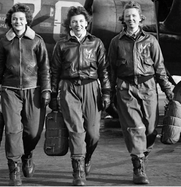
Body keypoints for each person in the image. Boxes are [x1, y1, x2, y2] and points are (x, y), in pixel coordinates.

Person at [107, 1, 174, 184]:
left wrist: (168, 90)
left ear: (140, 18)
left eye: (134, 16)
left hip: (148, 88)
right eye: (127, 16)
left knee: (150, 131)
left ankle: (142, 154)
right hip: (126, 89)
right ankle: (138, 168)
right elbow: (111, 69)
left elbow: (160, 68)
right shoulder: (116, 42)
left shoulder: (151, 41)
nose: (130, 19)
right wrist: (108, 94)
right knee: (135, 128)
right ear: (123, 19)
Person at [0, 3, 51, 186]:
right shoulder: (4, 42)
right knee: (13, 130)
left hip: (34, 89)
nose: (18, 21)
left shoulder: (37, 40)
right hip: (10, 90)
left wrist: (46, 90)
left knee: (33, 132)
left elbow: (45, 69)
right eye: (14, 18)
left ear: (27, 20)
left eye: (21, 18)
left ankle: (27, 155)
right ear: (10, 21)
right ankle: (14, 167)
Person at [50, 6, 111, 186]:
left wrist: (107, 92)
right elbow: (54, 71)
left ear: (87, 23)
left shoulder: (96, 43)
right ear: (69, 24)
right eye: (74, 21)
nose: (78, 24)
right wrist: (53, 95)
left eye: (81, 21)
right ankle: (78, 171)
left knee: (93, 134)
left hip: (91, 87)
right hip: (68, 88)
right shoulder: (61, 45)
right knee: (76, 131)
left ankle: (86, 158)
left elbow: (104, 70)